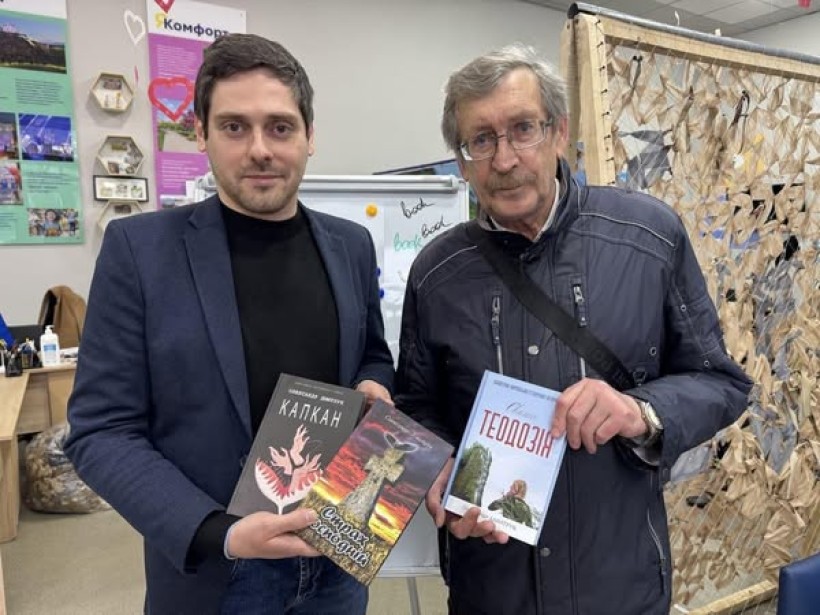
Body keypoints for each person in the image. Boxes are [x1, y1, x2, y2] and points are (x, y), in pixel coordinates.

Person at [395, 44, 752, 615]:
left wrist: (641, 412)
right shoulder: (436, 273)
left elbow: (721, 382)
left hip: (620, 587)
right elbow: (418, 406)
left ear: (559, 132)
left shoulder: (648, 237)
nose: (504, 159)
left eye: (523, 129)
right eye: (480, 140)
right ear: (461, 162)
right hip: (492, 589)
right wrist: (439, 470)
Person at [65, 34, 394, 615]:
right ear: (201, 133)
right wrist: (219, 531)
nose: (260, 150)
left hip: (337, 560)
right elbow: (101, 431)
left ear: (310, 136)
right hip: (217, 574)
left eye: (280, 127)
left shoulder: (351, 246)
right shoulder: (140, 252)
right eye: (235, 127)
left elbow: (371, 353)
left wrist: (373, 383)